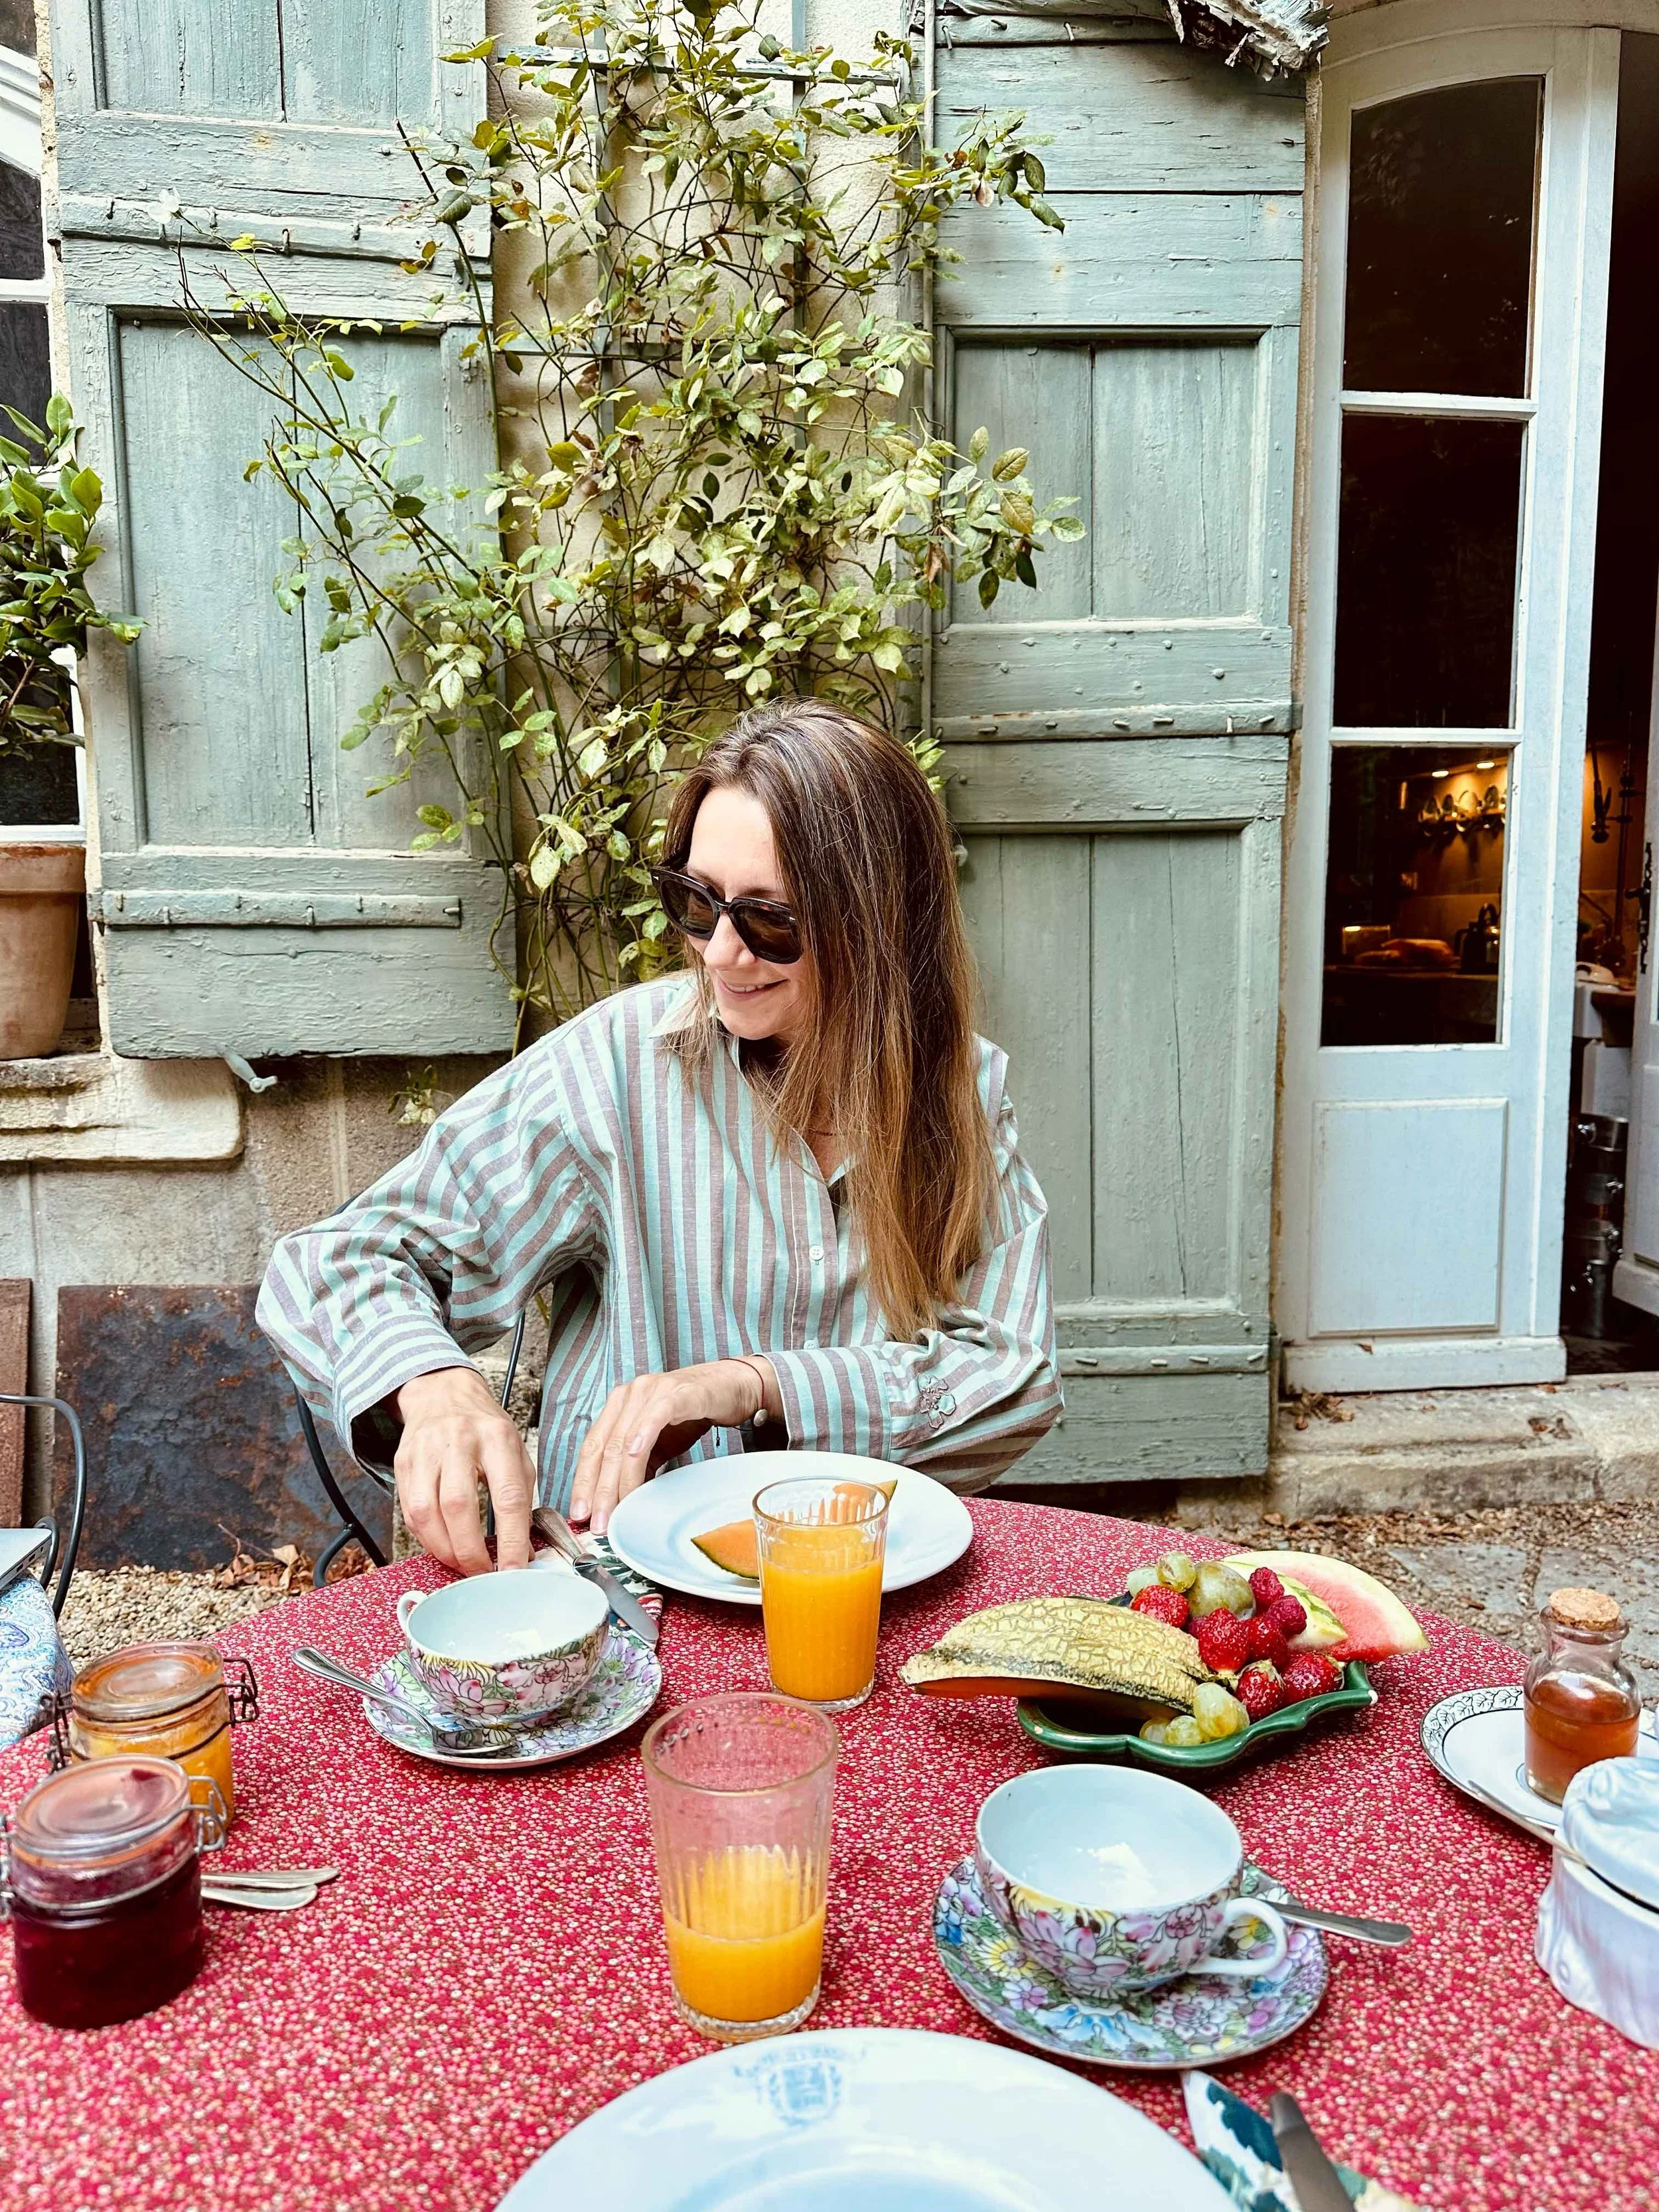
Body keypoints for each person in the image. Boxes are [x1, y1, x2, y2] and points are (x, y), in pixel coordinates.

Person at [258, 701, 1061, 1575]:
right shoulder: (616, 1068)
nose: (720, 953)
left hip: (860, 1589)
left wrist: (758, 1385)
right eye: (697, 901)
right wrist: (432, 1383)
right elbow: (339, 1260)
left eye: (770, 921)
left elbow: (1014, 1380)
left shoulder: (963, 1093)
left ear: (881, 927)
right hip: (622, 1594)